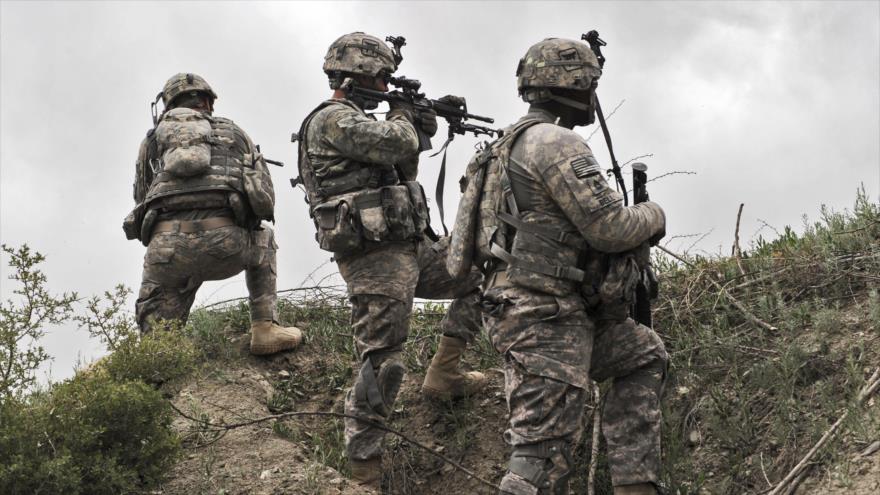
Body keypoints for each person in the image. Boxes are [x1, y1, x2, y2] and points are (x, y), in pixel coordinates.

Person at [447, 38, 668, 495]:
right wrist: (654, 216)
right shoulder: (554, 142)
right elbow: (609, 227)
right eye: (592, 84)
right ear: (576, 83)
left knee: (641, 354)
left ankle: (635, 486)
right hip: (542, 315)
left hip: (547, 309)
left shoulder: (496, 149)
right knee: (541, 458)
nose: (594, 95)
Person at [295, 32, 486, 488]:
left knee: (484, 274)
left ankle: (445, 371)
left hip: (412, 245)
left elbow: (399, 167)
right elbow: (393, 143)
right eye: (381, 78)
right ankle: (364, 469)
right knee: (383, 362)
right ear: (355, 75)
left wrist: (425, 121)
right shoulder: (332, 119)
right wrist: (407, 117)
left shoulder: (362, 120)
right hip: (374, 256)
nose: (385, 88)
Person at [127, 73, 301, 356]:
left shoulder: (152, 142)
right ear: (207, 101)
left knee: (156, 347)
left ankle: (158, 356)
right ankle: (264, 328)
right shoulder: (234, 132)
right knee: (264, 238)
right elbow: (263, 201)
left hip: (166, 253)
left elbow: (141, 199)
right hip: (227, 245)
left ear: (168, 105)